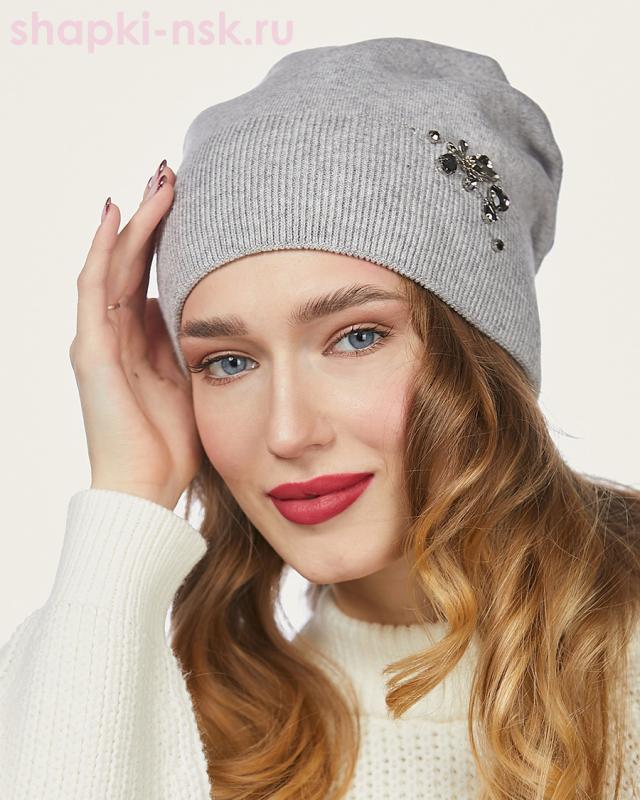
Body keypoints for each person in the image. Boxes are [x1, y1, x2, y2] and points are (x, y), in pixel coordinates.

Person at [1, 37, 639, 800]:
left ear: (482, 351)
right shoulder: (196, 726)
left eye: (357, 337)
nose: (287, 432)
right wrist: (125, 496)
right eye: (227, 362)